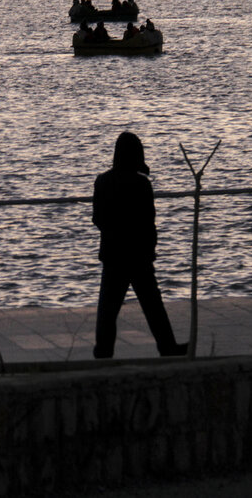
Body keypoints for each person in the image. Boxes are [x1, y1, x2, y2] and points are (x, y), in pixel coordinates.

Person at [92, 132, 187, 359]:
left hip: (113, 254)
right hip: (138, 256)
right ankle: (168, 347)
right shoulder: (141, 184)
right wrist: (150, 249)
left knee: (107, 309)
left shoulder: (103, 181)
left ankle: (103, 351)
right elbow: (148, 221)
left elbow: (98, 219)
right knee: (153, 306)